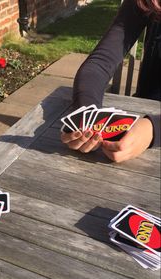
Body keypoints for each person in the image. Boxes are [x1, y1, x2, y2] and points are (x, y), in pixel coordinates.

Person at [61, 0, 161, 162]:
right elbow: (100, 63)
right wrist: (87, 116)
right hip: (139, 118)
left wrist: (154, 129)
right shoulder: (145, 2)